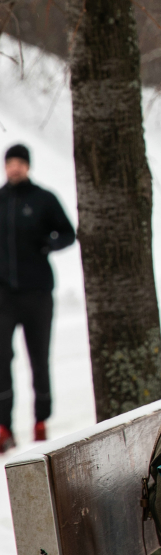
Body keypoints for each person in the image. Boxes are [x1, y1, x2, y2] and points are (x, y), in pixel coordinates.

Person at [0, 142, 76, 452]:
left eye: (20, 162)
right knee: (2, 359)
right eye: (10, 162)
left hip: (38, 294)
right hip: (3, 296)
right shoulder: (0, 200)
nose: (15, 167)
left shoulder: (44, 200)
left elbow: (68, 233)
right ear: (5, 167)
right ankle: (4, 427)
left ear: (28, 166)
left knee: (39, 359)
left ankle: (41, 422)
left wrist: (48, 243)